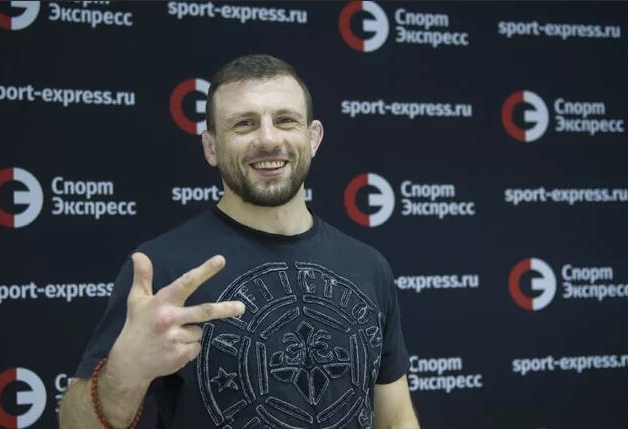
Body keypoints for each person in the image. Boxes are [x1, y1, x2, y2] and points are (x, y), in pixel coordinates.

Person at [59, 54, 420, 429]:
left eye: (285, 120)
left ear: (313, 138)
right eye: (244, 124)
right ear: (211, 147)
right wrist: (124, 373)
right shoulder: (163, 269)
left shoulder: (369, 266)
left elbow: (395, 420)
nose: (268, 139)